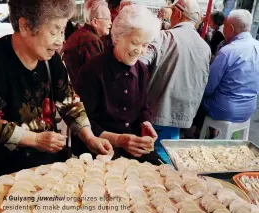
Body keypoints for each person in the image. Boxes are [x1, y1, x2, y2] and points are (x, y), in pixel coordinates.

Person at [0, 0, 113, 177]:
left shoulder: (52, 61)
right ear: (25, 26)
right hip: (4, 172)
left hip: (49, 169)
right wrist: (35, 139)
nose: (61, 41)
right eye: (54, 31)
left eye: (62, 31)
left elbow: (68, 101)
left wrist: (89, 138)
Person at [73, 5, 161, 160]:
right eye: (135, 43)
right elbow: (82, 121)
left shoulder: (141, 70)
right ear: (118, 36)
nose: (140, 51)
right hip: (100, 150)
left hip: (132, 148)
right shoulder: (92, 70)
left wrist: (145, 124)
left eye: (145, 45)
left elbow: (143, 108)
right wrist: (119, 140)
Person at [140, 0, 211, 131]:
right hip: (185, 114)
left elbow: (139, 65)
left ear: (178, 14)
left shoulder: (164, 37)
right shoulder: (205, 47)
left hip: (155, 112)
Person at [193, 10, 259, 135]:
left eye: (225, 26)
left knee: (197, 98)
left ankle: (198, 134)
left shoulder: (228, 51)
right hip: (249, 109)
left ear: (231, 28)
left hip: (224, 109)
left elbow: (208, 87)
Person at [63, 0, 112, 84]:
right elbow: (97, 77)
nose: (110, 23)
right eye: (107, 19)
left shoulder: (81, 34)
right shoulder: (91, 41)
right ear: (95, 22)